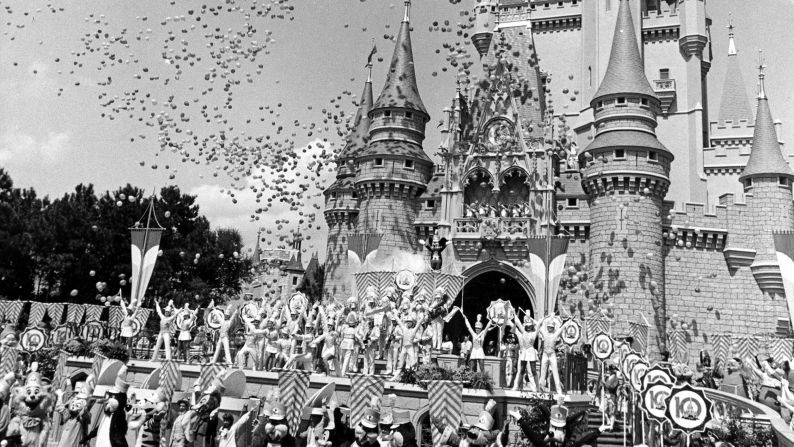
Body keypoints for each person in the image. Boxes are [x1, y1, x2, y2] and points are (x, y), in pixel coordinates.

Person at [537, 315, 564, 395]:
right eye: (549, 327)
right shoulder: (544, 333)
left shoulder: (555, 334)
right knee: (543, 373)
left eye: (551, 327)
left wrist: (569, 321)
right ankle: (540, 389)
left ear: (553, 328)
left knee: (555, 373)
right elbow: (538, 326)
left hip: (552, 354)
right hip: (545, 354)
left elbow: (562, 328)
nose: (550, 328)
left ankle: (559, 391)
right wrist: (543, 318)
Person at [512, 313, 538, 391]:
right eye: (527, 326)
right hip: (524, 353)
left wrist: (532, 320)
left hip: (531, 352)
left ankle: (537, 388)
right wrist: (514, 313)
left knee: (533, 370)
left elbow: (539, 325)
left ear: (532, 326)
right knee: (521, 370)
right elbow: (518, 323)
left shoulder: (534, 333)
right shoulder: (523, 332)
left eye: (530, 326)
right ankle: (516, 386)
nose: (528, 327)